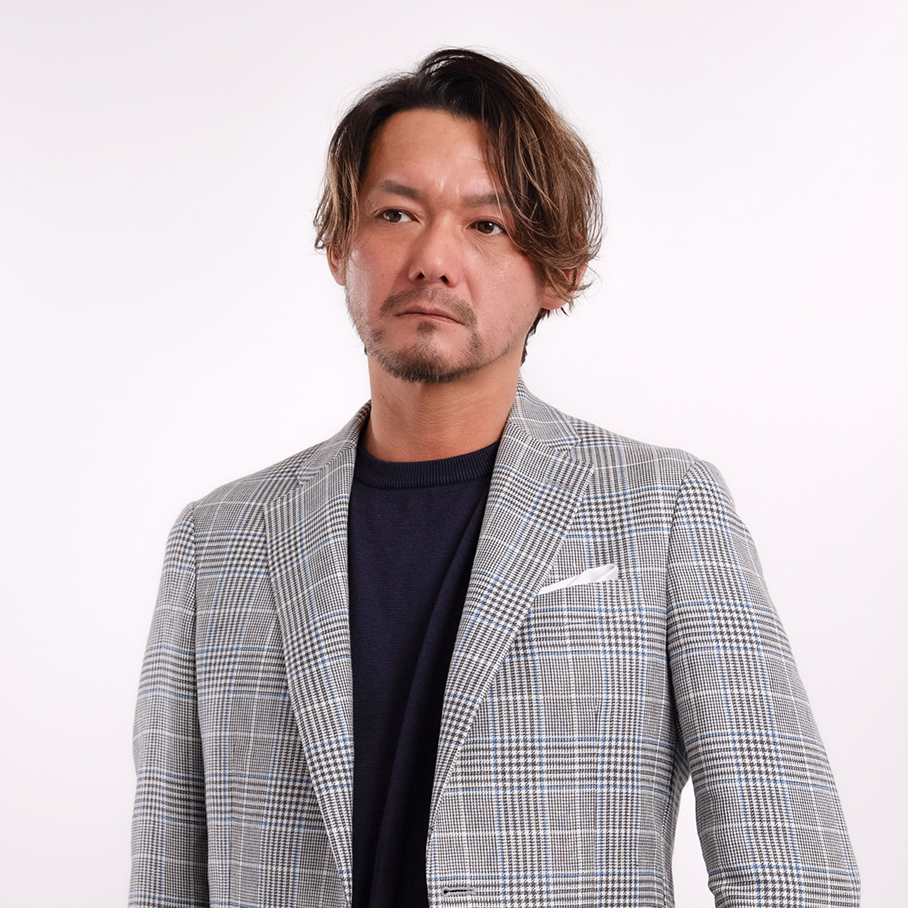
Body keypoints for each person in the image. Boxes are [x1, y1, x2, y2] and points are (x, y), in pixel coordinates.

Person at [130, 48, 859, 908]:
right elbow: (166, 880)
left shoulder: (664, 511)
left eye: (487, 225)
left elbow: (791, 870)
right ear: (339, 246)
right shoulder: (217, 542)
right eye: (396, 213)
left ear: (559, 270)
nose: (433, 259)